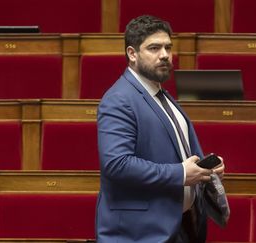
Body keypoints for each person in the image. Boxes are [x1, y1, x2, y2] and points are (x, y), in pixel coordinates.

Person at [96, 15, 225, 243]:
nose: (164, 55)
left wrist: (205, 171)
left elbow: (178, 155)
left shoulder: (161, 96)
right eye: (154, 48)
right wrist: (182, 174)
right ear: (132, 54)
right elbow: (116, 165)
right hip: (139, 234)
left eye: (168, 47)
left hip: (178, 227)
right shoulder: (119, 99)